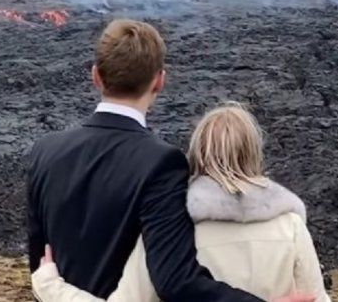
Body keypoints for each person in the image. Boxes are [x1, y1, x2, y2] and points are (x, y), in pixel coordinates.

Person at [26, 20, 313, 302]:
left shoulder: (44, 152)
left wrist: (52, 287)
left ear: (96, 76)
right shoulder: (161, 163)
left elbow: (40, 263)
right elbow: (175, 280)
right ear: (160, 80)